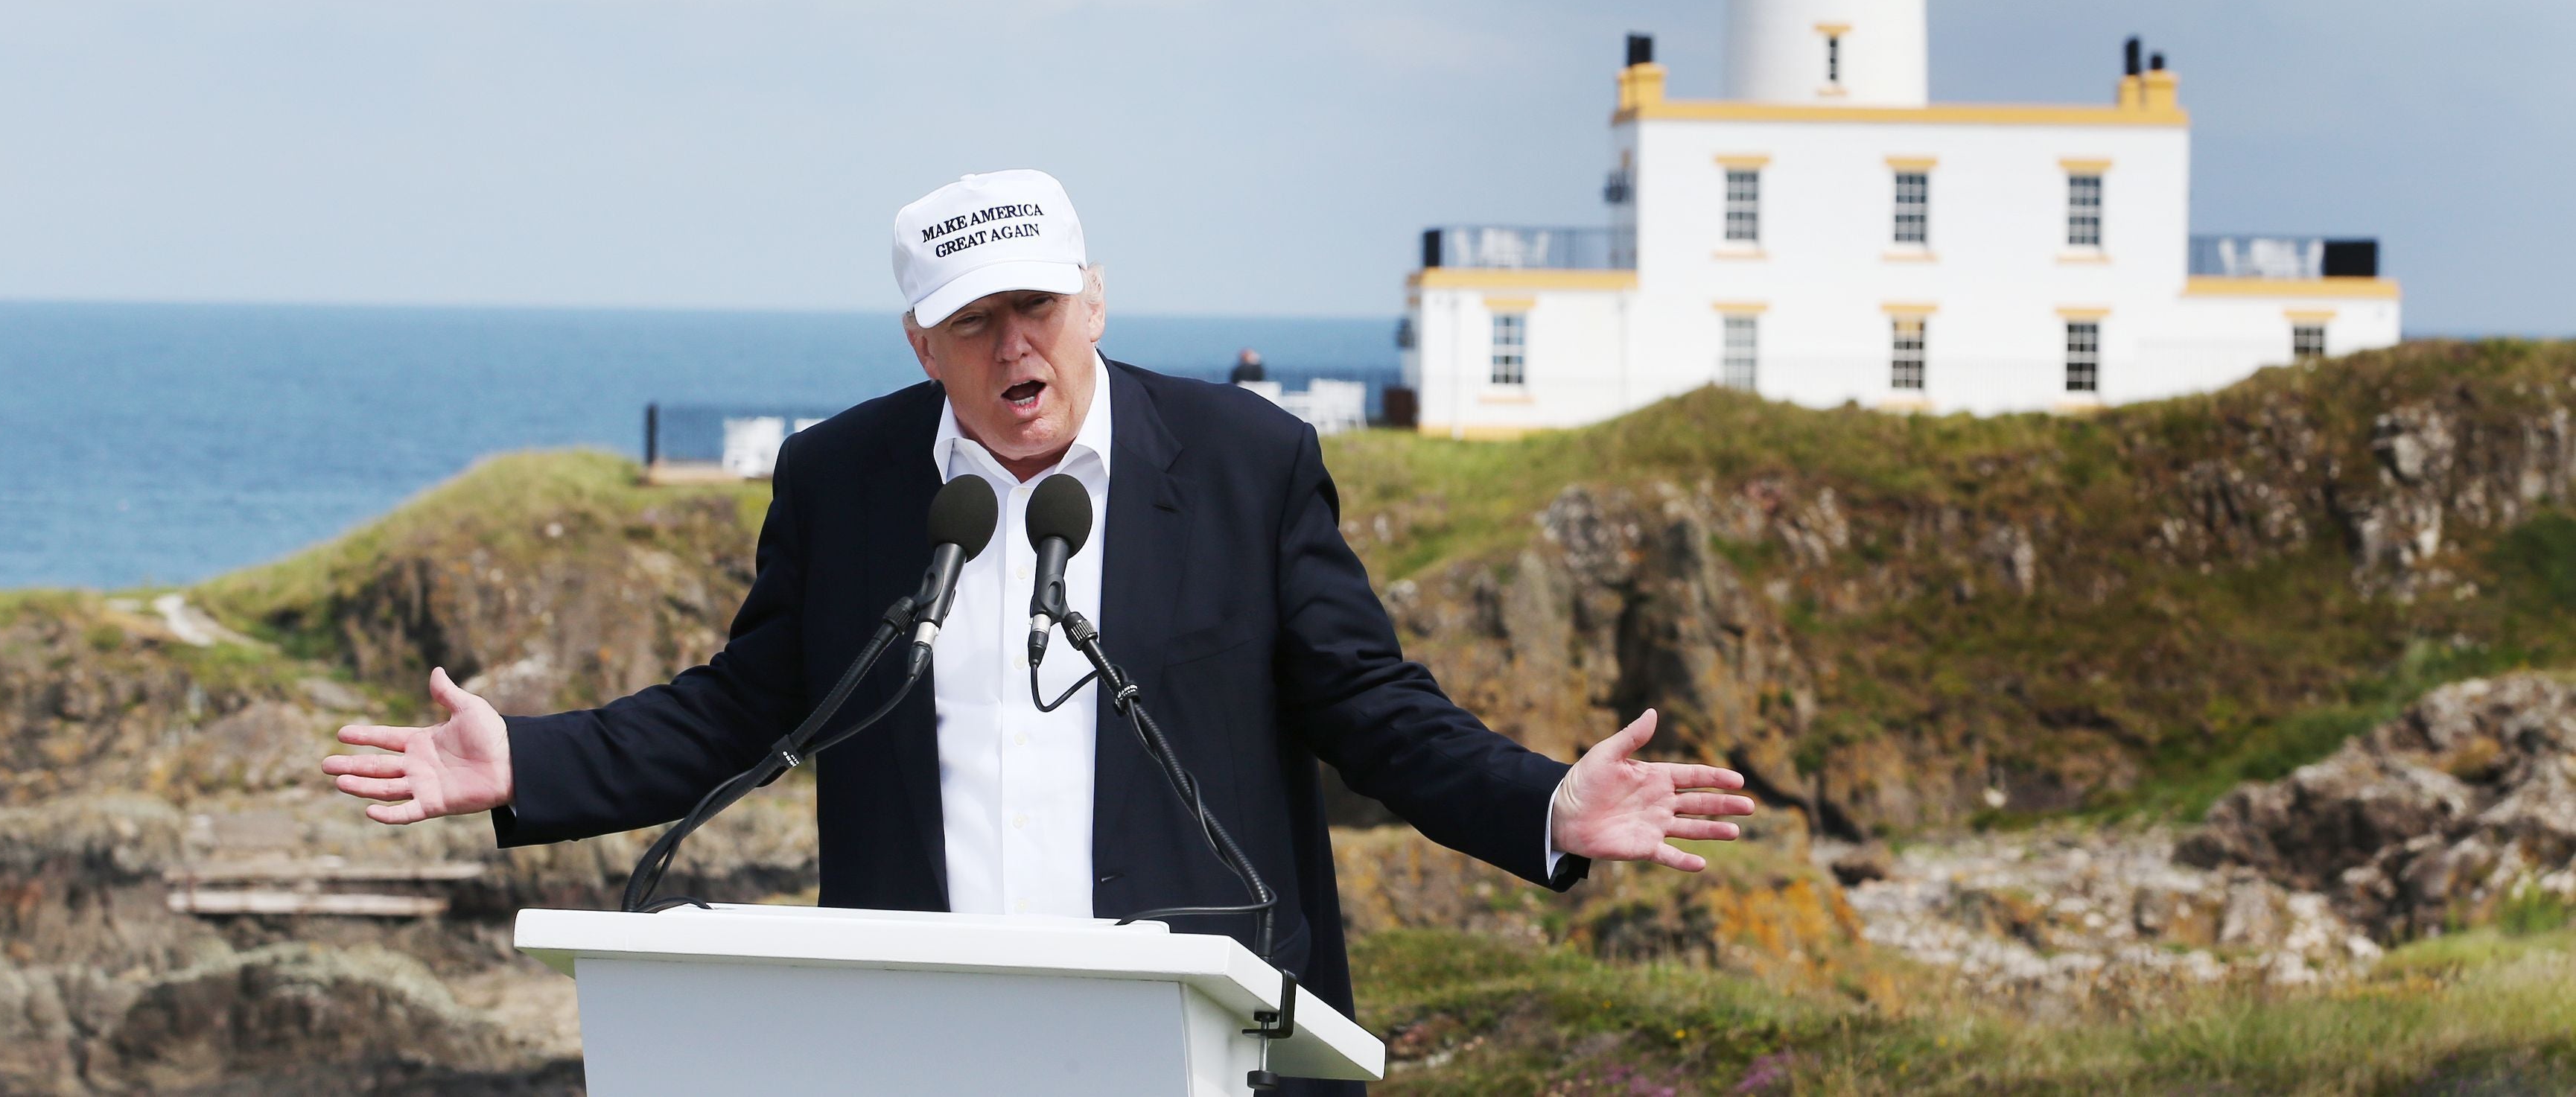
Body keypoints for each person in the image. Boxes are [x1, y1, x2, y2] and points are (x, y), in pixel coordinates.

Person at [323, 169, 1754, 1096]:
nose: (1019, 348)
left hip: (1197, 1030)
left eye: (1041, 307)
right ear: (921, 344)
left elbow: (1372, 708)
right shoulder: (846, 479)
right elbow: (748, 707)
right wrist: (524, 763)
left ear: (1096, 298)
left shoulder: (1246, 461)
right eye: (976, 321)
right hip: (924, 1038)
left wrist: (1546, 801)